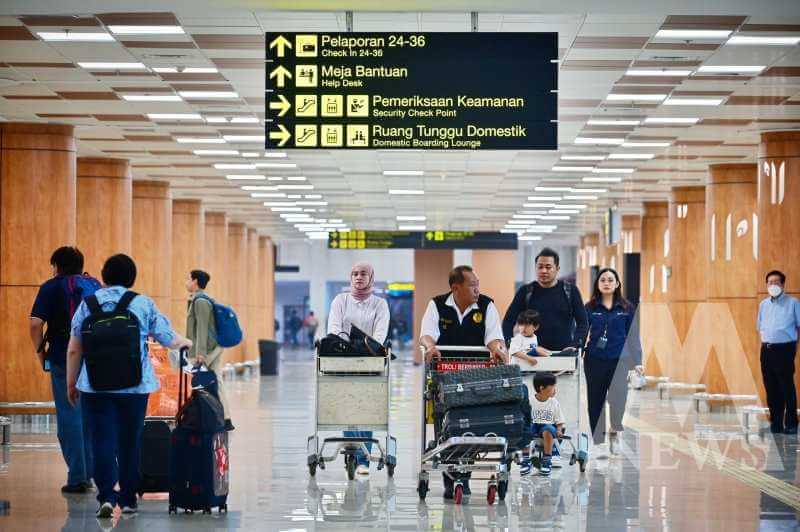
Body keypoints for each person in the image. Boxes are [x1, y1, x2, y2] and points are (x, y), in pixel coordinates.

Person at [66, 254, 192, 518]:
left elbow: (74, 350)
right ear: (132, 277)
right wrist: (187, 343)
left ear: (105, 275)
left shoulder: (87, 304)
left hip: (95, 386)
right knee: (129, 442)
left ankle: (106, 497)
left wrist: (71, 383)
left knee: (101, 441)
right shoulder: (142, 303)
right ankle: (129, 500)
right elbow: (169, 339)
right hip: (134, 387)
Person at [419, 265, 508, 499]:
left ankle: (465, 472)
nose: (478, 289)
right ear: (455, 288)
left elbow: (493, 336)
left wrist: (497, 349)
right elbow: (427, 333)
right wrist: (430, 347)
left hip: (477, 379)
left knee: (474, 424)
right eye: (472, 285)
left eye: (478, 284)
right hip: (445, 377)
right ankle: (453, 478)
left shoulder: (487, 305)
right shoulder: (436, 304)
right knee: (446, 424)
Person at [29, 246, 94, 493]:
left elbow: (35, 324)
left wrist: (39, 352)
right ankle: (91, 472)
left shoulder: (52, 286)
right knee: (90, 414)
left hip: (63, 356)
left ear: (56, 265)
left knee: (69, 415)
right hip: (95, 358)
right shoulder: (93, 284)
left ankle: (77, 477)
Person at [327, 262, 390, 476]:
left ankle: (364, 460)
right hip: (343, 361)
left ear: (371, 277)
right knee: (348, 408)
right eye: (354, 273)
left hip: (370, 361)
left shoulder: (380, 304)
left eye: (363, 274)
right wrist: (348, 346)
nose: (358, 277)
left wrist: (365, 346)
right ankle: (352, 453)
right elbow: (334, 329)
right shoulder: (340, 301)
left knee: (365, 410)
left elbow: (379, 335)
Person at [584, 268, 642, 458]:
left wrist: (637, 361)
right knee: (595, 402)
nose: (607, 283)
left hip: (620, 361)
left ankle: (615, 432)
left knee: (619, 400)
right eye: (603, 280)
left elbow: (633, 335)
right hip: (594, 360)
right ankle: (599, 442)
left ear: (617, 284)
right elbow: (582, 332)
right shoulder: (590, 307)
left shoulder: (626, 308)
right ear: (598, 284)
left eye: (610, 280)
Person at [502, 247, 588, 352]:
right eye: (540, 267)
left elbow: (583, 323)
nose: (543, 271)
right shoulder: (526, 291)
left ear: (557, 269)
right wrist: (511, 345)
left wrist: (575, 346)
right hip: (531, 354)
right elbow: (508, 321)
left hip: (563, 355)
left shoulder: (570, 291)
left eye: (548, 267)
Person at [186, 269, 234, 431]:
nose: (187, 282)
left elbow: (202, 328)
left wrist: (200, 353)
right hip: (212, 348)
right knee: (216, 381)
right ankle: (224, 417)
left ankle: (219, 418)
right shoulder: (200, 300)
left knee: (208, 381)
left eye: (189, 279)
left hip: (208, 350)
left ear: (195, 282)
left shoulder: (200, 301)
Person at [757, 270, 800, 434]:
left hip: (785, 349)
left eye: (776, 282)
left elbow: (799, 327)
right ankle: (775, 423)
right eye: (770, 283)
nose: (773, 285)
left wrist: (793, 347)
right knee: (770, 387)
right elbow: (760, 327)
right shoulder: (763, 305)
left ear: (783, 284)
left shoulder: (793, 303)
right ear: (766, 285)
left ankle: (791, 424)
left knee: (786, 387)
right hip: (767, 350)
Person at [526, 372, 565, 476]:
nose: (554, 390)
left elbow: (559, 421)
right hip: (534, 426)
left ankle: (547, 460)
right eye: (552, 387)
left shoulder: (554, 402)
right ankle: (526, 458)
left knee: (547, 429)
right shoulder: (530, 401)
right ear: (542, 388)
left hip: (549, 427)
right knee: (525, 429)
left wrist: (559, 430)